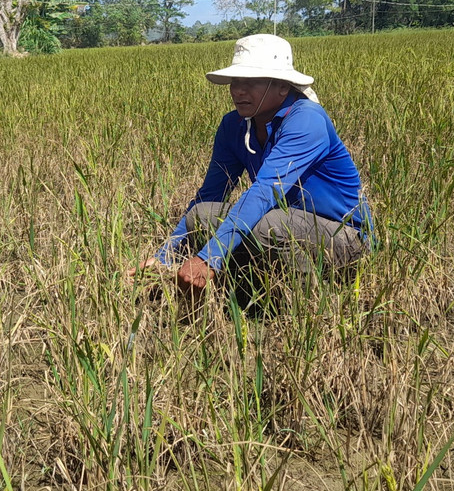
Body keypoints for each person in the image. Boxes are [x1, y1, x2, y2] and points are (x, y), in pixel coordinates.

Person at [147, 34, 371, 299]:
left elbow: (266, 191)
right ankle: (249, 287)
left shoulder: (306, 120)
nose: (238, 90)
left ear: (283, 87)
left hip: (343, 237)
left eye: (251, 82)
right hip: (285, 226)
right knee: (202, 214)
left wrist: (209, 258)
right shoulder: (233, 125)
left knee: (271, 223)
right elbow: (211, 194)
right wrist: (164, 257)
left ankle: (303, 305)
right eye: (235, 82)